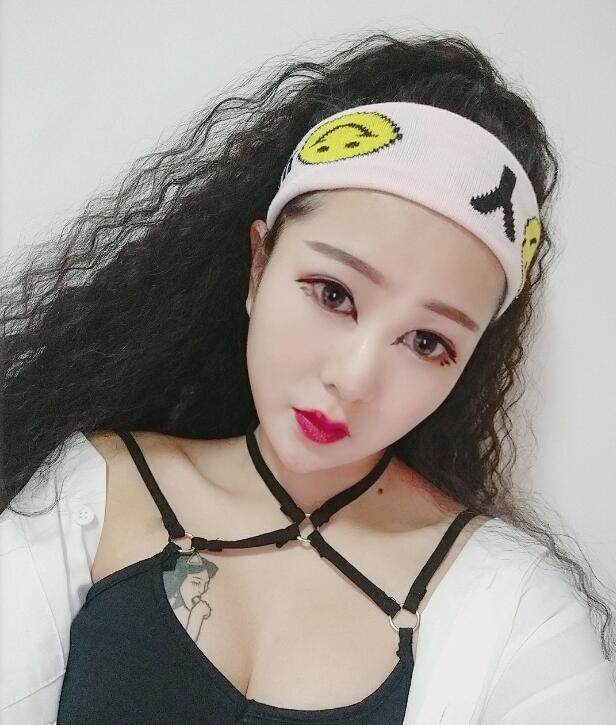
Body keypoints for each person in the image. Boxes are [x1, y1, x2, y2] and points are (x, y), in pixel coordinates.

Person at [1, 31, 615, 725]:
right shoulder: (84, 495)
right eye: (333, 293)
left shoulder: (520, 616)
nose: (353, 378)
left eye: (427, 342)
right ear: (259, 267)